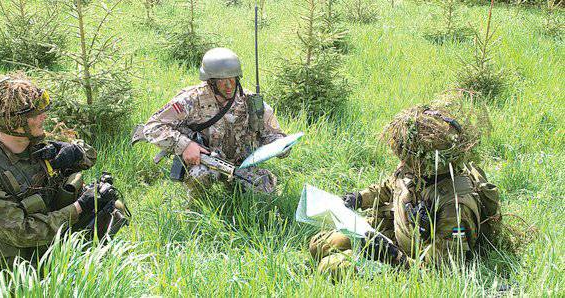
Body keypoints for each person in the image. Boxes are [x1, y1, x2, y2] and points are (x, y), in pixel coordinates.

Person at [309, 103, 502, 279]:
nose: (401, 161)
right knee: (319, 244)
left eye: (406, 156)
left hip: (410, 262)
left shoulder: (456, 206)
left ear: (424, 160)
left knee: (331, 267)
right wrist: (358, 198)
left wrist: (393, 256)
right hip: (392, 233)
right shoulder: (418, 170)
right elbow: (389, 187)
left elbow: (439, 272)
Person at [0, 74, 128, 270]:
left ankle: (88, 264)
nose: (44, 117)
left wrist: (75, 152)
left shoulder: (36, 141)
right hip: (22, 256)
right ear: (14, 123)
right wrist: (79, 207)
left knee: (113, 205)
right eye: (35, 114)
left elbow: (91, 156)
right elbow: (20, 233)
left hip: (53, 227)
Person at [142, 47, 287, 197]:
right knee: (199, 175)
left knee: (264, 194)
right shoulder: (191, 100)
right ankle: (197, 208)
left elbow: (273, 135)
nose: (229, 86)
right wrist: (185, 145)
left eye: (232, 80)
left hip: (242, 164)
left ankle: (236, 189)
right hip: (206, 162)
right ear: (210, 82)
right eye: (222, 82)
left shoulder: (250, 102)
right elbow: (152, 127)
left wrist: (282, 145)